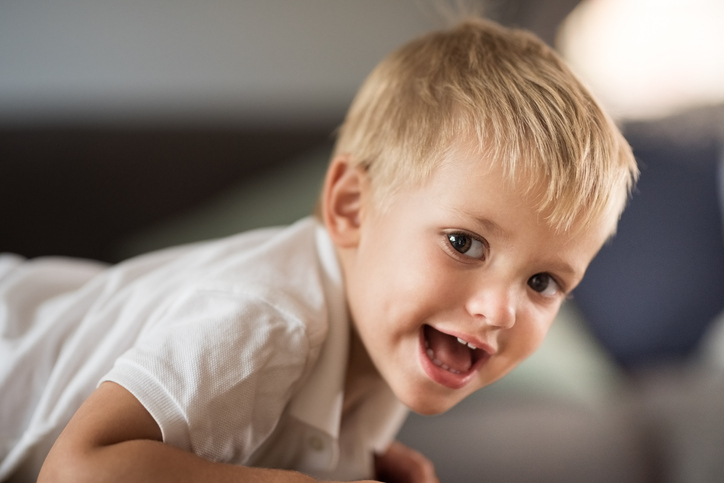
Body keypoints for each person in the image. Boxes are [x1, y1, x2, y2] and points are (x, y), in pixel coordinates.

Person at [0, 17, 638, 483]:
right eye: (464, 243)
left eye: (543, 283)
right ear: (351, 207)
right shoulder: (269, 317)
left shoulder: (391, 349)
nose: (500, 310)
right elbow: (78, 473)